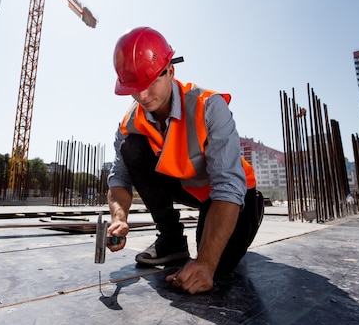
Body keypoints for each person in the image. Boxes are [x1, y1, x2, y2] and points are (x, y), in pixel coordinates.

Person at [106, 27, 264, 294]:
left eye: (151, 83)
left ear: (170, 71)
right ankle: (171, 240)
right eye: (135, 88)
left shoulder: (209, 106)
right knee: (131, 148)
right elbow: (120, 177)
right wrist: (119, 217)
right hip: (187, 185)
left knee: (218, 266)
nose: (142, 96)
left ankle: (252, 212)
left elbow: (227, 185)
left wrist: (205, 263)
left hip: (231, 195)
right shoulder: (130, 122)